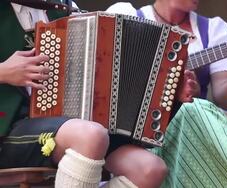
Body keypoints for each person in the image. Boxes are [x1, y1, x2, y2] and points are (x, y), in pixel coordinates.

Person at [0, 1, 170, 188]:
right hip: (9, 126)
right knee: (91, 136)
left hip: (67, 121)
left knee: (149, 169)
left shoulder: (62, 5)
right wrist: (4, 71)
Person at [107, 0, 227, 187]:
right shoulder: (127, 15)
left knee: (196, 107)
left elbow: (224, 98)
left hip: (191, 135)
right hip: (135, 143)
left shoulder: (213, 29)